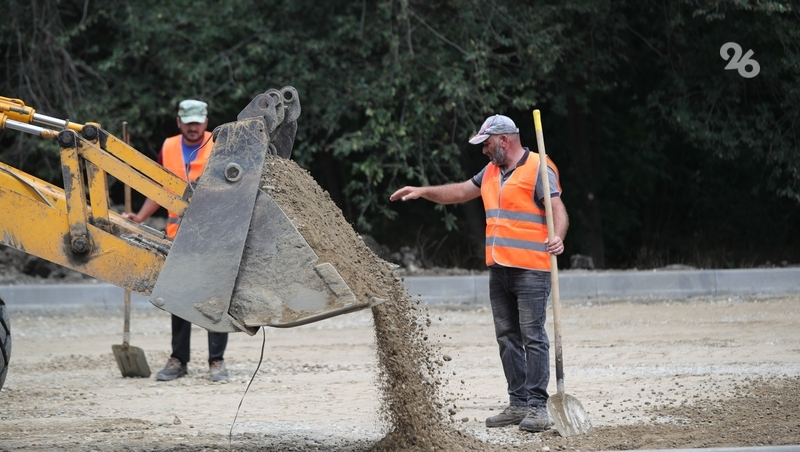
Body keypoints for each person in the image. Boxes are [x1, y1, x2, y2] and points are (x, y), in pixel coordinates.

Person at [390, 114, 568, 432]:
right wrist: (423, 191)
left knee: (533, 338)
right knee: (507, 338)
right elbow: (459, 192)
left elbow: (557, 209)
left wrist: (559, 237)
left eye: (486, 144)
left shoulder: (539, 168)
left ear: (504, 140)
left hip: (531, 269)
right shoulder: (491, 171)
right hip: (499, 268)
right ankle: (518, 404)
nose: (484, 150)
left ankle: (538, 407)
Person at [123, 99, 230, 383]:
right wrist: (140, 218)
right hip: (178, 240)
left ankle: (216, 362)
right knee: (178, 299)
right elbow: (160, 188)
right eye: (188, 122)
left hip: (213, 238)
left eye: (198, 122)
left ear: (206, 122)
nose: (193, 128)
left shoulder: (219, 145)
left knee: (214, 300)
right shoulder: (169, 147)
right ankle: (178, 360)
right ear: (179, 121)